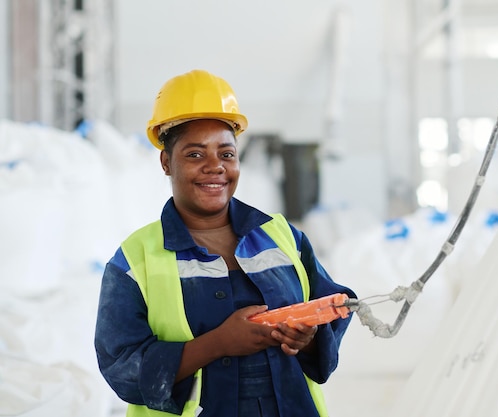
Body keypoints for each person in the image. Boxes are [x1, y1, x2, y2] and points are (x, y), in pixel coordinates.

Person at [94, 69, 357, 417]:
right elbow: (121, 366)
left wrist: (306, 340)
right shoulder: (136, 258)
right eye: (195, 155)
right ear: (165, 161)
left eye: (226, 154)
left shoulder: (282, 236)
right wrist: (217, 344)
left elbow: (330, 309)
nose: (214, 167)